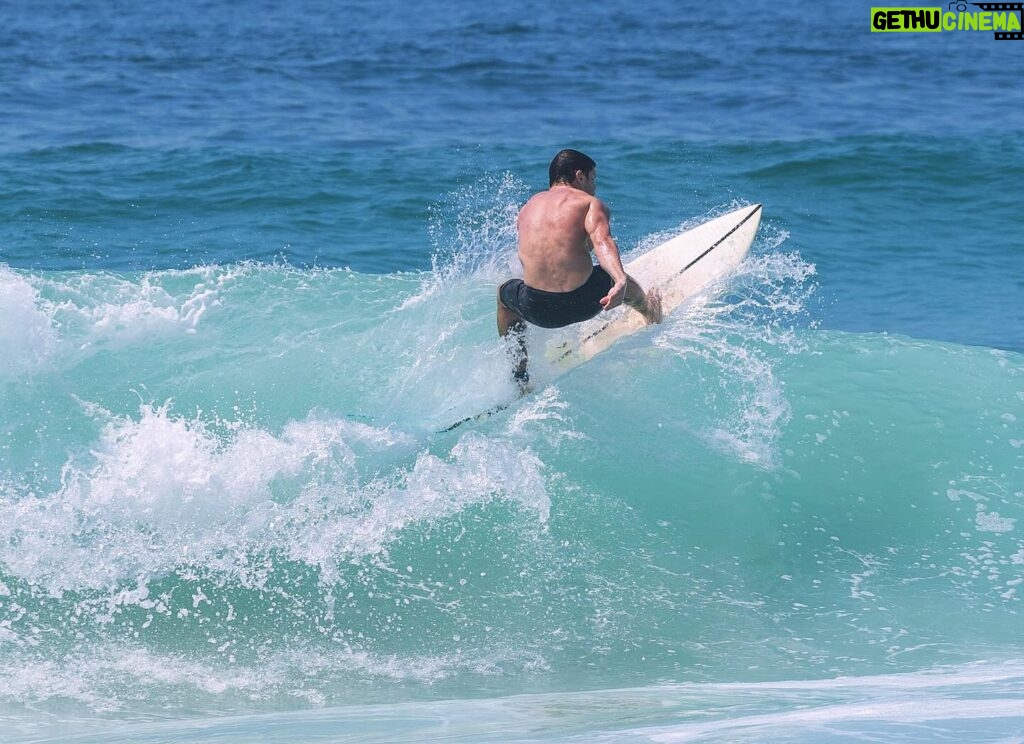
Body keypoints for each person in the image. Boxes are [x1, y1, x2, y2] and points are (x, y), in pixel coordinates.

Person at [497, 149, 662, 392]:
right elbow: (603, 242)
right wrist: (618, 280)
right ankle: (651, 313)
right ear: (579, 176)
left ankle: (520, 377)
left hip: (538, 310)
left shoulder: (527, 209)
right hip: (586, 301)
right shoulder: (589, 204)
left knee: (504, 296)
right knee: (612, 279)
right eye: (593, 179)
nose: (594, 187)